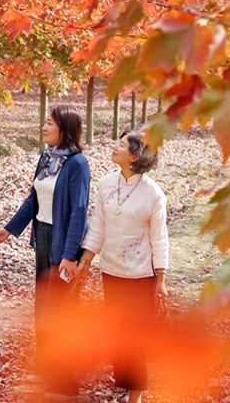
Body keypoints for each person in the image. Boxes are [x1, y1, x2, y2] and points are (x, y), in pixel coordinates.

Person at [0, 104, 90, 400]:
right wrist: (9, 230)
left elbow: (79, 212)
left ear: (65, 128)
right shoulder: (47, 157)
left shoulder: (77, 163)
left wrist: (70, 256)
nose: (44, 127)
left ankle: (67, 384)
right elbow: (33, 200)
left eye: (49, 123)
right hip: (44, 238)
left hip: (65, 244)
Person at [76, 131, 167, 403]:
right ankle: (127, 383)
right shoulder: (106, 184)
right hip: (111, 270)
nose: (114, 146)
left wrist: (161, 278)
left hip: (141, 275)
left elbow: (159, 237)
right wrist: (85, 261)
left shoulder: (153, 193)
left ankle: (136, 395)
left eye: (121, 144)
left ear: (135, 155)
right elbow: (98, 226)